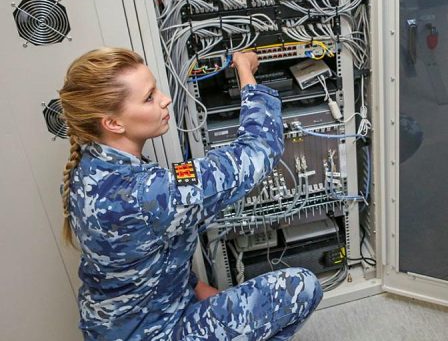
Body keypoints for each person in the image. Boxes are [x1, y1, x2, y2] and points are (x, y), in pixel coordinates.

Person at [59, 48, 322, 340]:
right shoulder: (148, 192)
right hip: (157, 332)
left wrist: (195, 287)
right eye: (149, 97)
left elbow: (151, 256)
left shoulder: (90, 167)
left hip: (123, 326)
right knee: (300, 286)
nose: (164, 99)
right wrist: (246, 71)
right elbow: (256, 153)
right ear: (113, 123)